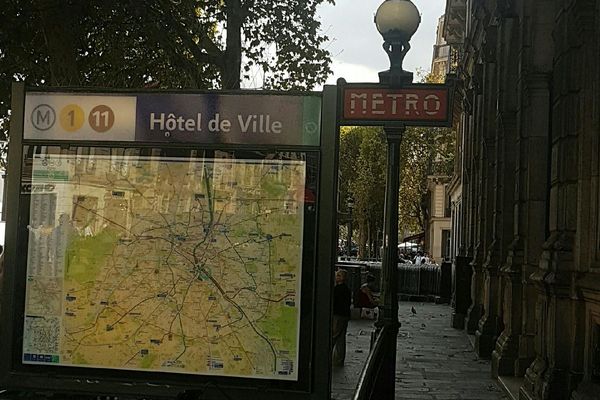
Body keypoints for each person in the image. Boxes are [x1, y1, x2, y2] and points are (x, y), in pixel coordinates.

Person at [332, 268, 351, 366]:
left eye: (338, 275)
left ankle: (325, 355)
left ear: (341, 278)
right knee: (341, 339)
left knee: (333, 336)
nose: (336, 277)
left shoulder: (337, 289)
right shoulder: (346, 289)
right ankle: (339, 359)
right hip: (345, 315)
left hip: (338, 315)